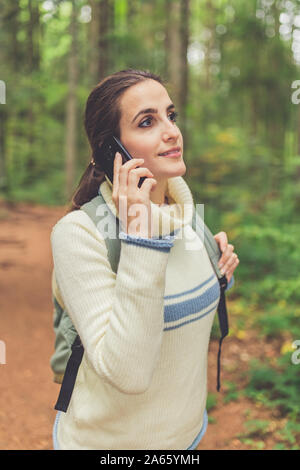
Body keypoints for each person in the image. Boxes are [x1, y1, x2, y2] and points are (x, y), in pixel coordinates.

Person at [51, 69, 239, 450]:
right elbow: (129, 373)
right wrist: (141, 237)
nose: (171, 131)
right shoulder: (78, 234)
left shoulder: (184, 213)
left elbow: (180, 305)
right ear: (110, 151)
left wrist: (220, 275)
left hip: (186, 438)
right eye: (148, 121)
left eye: (171, 115)